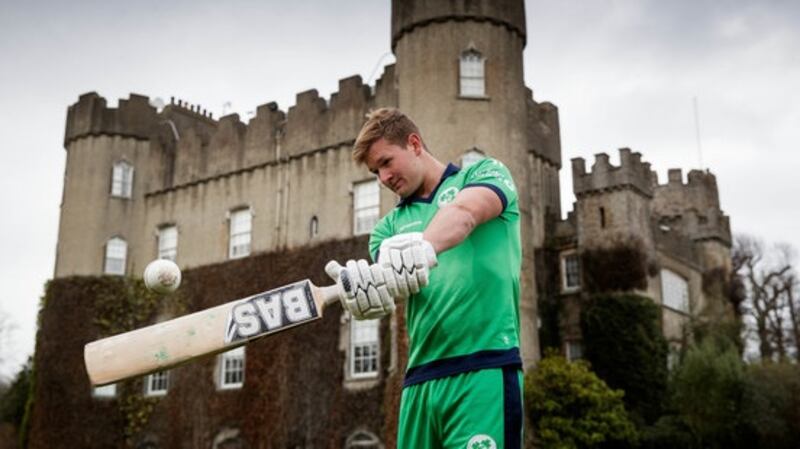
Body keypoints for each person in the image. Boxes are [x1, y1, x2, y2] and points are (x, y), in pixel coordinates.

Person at [325, 108, 523, 449]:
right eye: (375, 171)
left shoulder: (486, 173)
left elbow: (465, 213)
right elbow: (391, 287)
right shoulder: (386, 229)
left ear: (414, 144)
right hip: (419, 381)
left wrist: (424, 246)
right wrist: (364, 294)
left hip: (484, 367)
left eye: (386, 162)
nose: (383, 178)